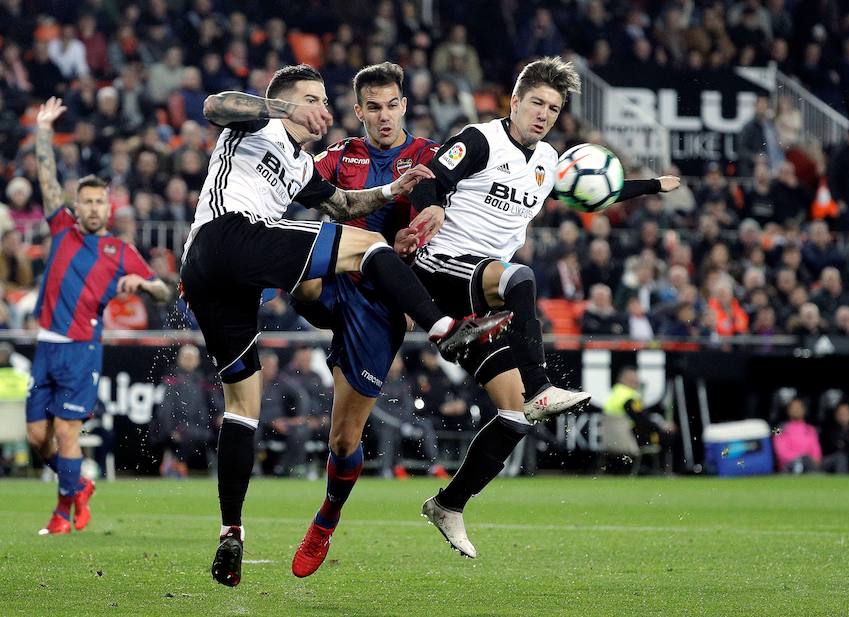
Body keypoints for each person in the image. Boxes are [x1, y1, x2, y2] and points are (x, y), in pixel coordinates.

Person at [180, 64, 510, 587]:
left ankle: (230, 533)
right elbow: (215, 105)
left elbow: (342, 203)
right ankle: (443, 326)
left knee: (243, 410)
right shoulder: (256, 126)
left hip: (215, 279)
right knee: (367, 248)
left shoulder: (302, 166)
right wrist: (286, 107)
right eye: (313, 99)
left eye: (323, 100)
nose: (323, 109)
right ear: (287, 102)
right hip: (230, 236)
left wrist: (396, 190)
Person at [408, 57, 679, 557]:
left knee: (512, 418)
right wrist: (432, 203)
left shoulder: (547, 162)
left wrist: (651, 187)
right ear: (514, 101)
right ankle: (540, 385)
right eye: (536, 103)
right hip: (440, 266)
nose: (544, 115)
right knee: (522, 277)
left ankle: (449, 504)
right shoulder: (481, 139)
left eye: (553, 108)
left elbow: (595, 195)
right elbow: (431, 177)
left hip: (480, 294)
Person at [284, 62, 453, 577]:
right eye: (373, 107)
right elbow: (292, 188)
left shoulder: (428, 157)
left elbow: (441, 201)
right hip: (338, 280)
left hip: (381, 305)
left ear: (404, 105)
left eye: (391, 105)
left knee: (343, 439)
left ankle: (326, 519)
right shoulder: (338, 157)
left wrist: (424, 226)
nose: (383, 116)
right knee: (294, 259)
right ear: (357, 111)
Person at [26, 97, 171, 536]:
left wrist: (143, 285)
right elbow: (47, 176)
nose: (92, 208)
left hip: (81, 350)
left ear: (109, 208)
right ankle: (79, 486)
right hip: (46, 346)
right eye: (86, 201)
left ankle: (64, 512)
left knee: (67, 433)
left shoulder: (121, 251)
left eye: (99, 202)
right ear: (78, 205)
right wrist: (44, 130)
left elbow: (164, 290)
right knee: (38, 437)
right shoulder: (61, 229)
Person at [153, 344, 217, 477]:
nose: (189, 360)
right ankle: (175, 465)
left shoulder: (203, 381)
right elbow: (165, 409)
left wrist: (220, 416)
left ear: (198, 360)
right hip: (180, 427)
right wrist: (171, 430)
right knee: (187, 435)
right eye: (186, 357)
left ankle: (220, 471)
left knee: (219, 435)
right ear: (179, 359)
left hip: (203, 427)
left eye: (192, 358)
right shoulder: (171, 380)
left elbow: (214, 404)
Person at [772, 398, 821, 473]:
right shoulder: (778, 428)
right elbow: (779, 451)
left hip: (809, 464)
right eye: (793, 407)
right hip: (789, 465)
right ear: (788, 410)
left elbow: (816, 451)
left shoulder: (811, 429)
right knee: (805, 461)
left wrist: (815, 459)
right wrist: (800, 458)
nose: (796, 410)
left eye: (798, 407)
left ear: (804, 410)